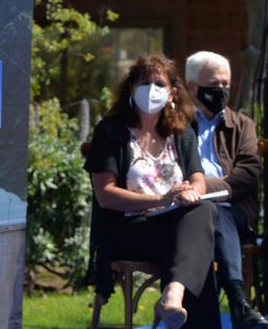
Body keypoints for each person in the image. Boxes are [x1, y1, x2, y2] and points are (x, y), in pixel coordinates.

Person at [85, 54, 219, 329]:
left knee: (203, 209)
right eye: (145, 83)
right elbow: (105, 195)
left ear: (172, 93)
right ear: (132, 89)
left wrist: (190, 191)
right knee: (197, 248)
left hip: (173, 225)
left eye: (159, 83)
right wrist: (162, 198)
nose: (152, 89)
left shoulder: (182, 133)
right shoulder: (110, 131)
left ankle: (174, 294)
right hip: (130, 229)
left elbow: (198, 179)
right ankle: (175, 299)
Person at [185, 51, 268, 329]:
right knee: (204, 216)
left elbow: (248, 174)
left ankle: (234, 302)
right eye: (214, 84)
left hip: (235, 213)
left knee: (214, 212)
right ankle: (237, 306)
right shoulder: (175, 125)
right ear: (192, 86)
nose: (221, 90)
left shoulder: (243, 125)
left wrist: (199, 187)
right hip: (186, 211)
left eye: (225, 84)